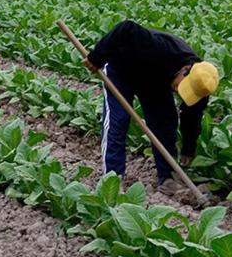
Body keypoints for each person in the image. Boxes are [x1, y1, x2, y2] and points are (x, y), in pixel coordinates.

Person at [84, 20, 219, 195]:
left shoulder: (202, 85)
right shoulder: (158, 48)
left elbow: (191, 118)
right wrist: (96, 57)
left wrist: (188, 148)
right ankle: (112, 179)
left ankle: (168, 177)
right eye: (181, 86)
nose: (179, 91)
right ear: (185, 69)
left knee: (165, 123)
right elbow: (126, 28)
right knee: (118, 121)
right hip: (122, 69)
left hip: (155, 81)